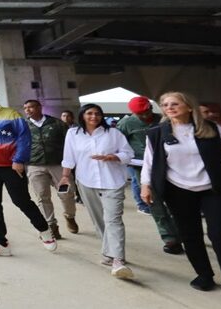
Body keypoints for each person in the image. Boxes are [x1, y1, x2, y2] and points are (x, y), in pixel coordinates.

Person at [141, 92, 221, 305]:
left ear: (189, 106)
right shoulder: (157, 133)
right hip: (178, 190)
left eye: (175, 104)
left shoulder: (212, 128)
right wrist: (146, 186)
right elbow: (149, 162)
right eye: (165, 105)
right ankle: (204, 275)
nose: (169, 107)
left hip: (213, 189)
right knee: (190, 235)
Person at [59, 103, 135, 279]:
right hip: (86, 181)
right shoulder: (73, 134)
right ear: (82, 115)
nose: (94, 117)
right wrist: (65, 176)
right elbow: (68, 157)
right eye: (90, 113)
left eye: (98, 114)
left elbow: (128, 153)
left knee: (113, 219)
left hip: (113, 181)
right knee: (98, 219)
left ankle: (118, 260)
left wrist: (113, 157)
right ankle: (109, 253)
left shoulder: (113, 134)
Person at [0, 89, 57, 256]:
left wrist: (19, 159)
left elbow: (24, 137)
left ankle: (45, 230)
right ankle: (0, 241)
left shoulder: (10, 114)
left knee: (21, 200)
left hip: (11, 166)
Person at [117, 96, 183, 255]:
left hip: (169, 166)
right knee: (156, 204)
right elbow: (119, 145)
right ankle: (169, 238)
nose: (146, 116)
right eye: (142, 115)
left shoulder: (162, 119)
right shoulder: (126, 124)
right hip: (142, 167)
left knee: (177, 202)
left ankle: (182, 232)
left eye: (148, 111)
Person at [22, 99, 78, 239]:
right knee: (42, 196)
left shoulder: (57, 124)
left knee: (66, 194)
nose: (28, 110)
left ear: (39, 107)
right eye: (25, 108)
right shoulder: (23, 125)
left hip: (58, 165)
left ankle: (69, 216)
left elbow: (69, 144)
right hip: (35, 165)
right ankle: (51, 226)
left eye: (31, 107)